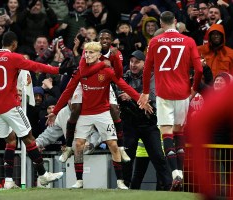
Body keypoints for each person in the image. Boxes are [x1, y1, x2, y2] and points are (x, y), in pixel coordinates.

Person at [0, 31, 75, 189]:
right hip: (10, 105)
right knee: (28, 137)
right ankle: (43, 174)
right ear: (13, 44)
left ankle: (8, 181)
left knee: (10, 139)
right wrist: (59, 70)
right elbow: (35, 66)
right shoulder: (14, 57)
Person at [47, 41, 153, 189]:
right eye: (86, 52)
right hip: (85, 113)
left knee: (113, 145)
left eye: (91, 53)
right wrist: (55, 111)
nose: (88, 55)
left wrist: (140, 99)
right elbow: (67, 92)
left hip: (102, 112)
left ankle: (120, 181)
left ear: (98, 55)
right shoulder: (81, 71)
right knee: (78, 145)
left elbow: (124, 85)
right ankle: (79, 181)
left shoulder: (107, 71)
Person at [138, 11, 203, 191]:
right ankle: (180, 173)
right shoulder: (188, 41)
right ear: (175, 22)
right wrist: (194, 88)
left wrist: (144, 92)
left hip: (164, 92)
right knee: (179, 132)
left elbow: (147, 70)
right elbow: (198, 69)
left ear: (160, 23)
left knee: (166, 132)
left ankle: (176, 174)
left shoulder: (155, 42)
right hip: (183, 93)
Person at [59, 29, 130, 164]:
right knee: (75, 109)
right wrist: (102, 64)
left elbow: (118, 74)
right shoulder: (90, 50)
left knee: (115, 110)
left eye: (107, 39)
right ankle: (68, 147)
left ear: (111, 41)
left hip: (103, 83)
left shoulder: (116, 53)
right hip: (84, 81)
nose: (104, 41)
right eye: (102, 38)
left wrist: (116, 61)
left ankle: (121, 147)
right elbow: (83, 70)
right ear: (98, 39)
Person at [117, 50, 172, 190]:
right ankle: (124, 185)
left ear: (144, 63)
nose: (133, 65)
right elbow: (117, 92)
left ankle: (169, 187)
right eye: (131, 62)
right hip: (129, 123)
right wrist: (138, 97)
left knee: (158, 157)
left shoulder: (152, 76)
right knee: (127, 156)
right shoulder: (124, 76)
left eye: (137, 62)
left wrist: (131, 96)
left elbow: (152, 95)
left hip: (148, 123)